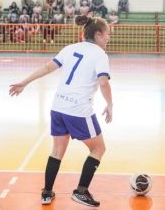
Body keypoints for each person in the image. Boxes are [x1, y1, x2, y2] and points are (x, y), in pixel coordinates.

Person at [9, 15, 113, 207]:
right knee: (98, 148)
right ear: (98, 34)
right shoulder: (100, 55)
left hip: (58, 107)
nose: (109, 38)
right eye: (107, 34)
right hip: (79, 110)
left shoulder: (70, 48)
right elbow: (104, 82)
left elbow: (48, 67)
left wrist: (25, 82)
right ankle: (81, 191)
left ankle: (47, 193)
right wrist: (110, 104)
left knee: (57, 151)